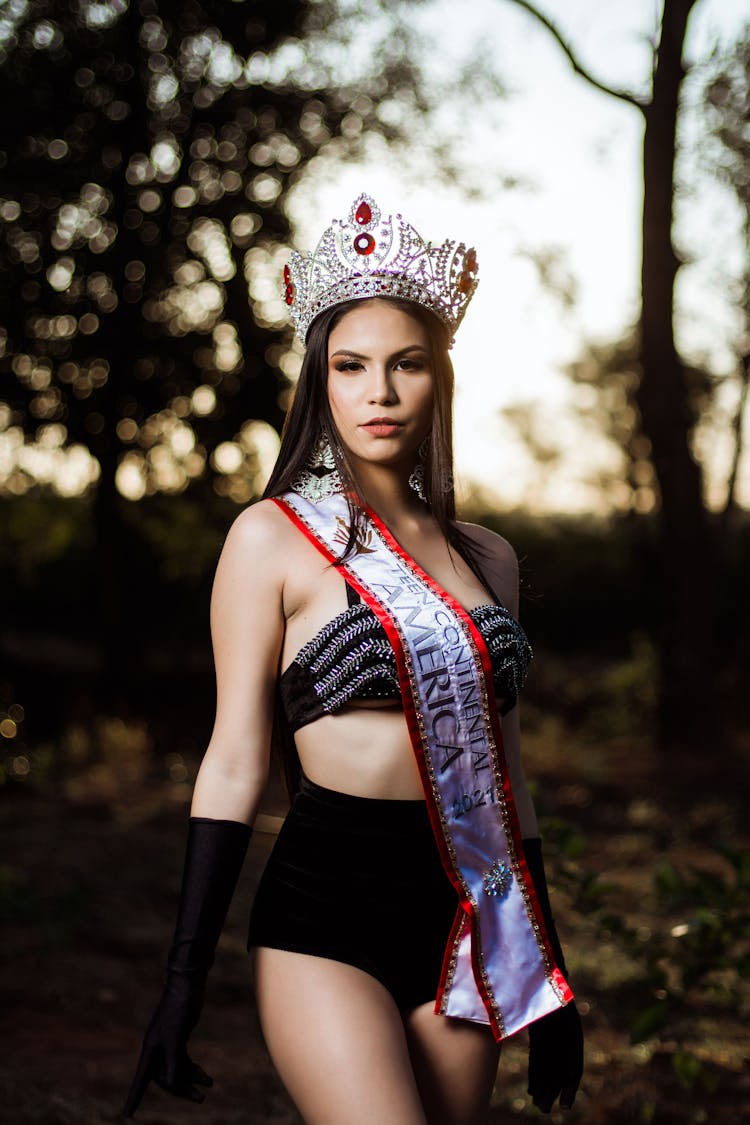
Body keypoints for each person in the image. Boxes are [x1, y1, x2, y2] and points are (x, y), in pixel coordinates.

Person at [123, 195, 583, 1123]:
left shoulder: (488, 556)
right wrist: (184, 977)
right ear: (320, 382)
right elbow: (235, 762)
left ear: (439, 379)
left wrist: (552, 969)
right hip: (322, 915)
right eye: (352, 365)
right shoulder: (271, 539)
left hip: (464, 913)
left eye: (406, 364)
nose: (379, 391)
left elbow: (508, 778)